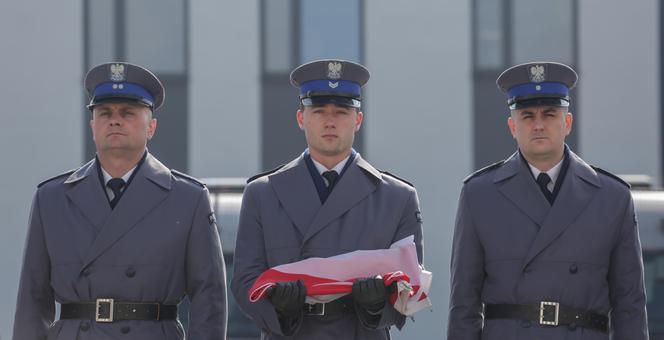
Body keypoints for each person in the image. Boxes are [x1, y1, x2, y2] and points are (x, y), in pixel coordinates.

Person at [13, 62, 227, 340]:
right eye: (104, 113)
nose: (114, 120)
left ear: (151, 127)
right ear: (92, 126)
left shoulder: (188, 198)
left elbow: (209, 297)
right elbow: (33, 298)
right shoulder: (52, 198)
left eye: (127, 113)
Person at [448, 61, 649, 339]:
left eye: (550, 114)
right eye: (527, 116)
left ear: (567, 123)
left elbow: (630, 306)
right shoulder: (479, 194)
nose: (539, 125)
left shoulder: (612, 197)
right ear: (512, 126)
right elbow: (463, 306)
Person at [231, 59, 424, 339]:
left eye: (342, 111)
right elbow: (244, 281)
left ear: (358, 120)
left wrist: (376, 306)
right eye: (319, 111)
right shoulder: (263, 193)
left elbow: (411, 285)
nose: (330, 121)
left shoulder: (397, 197)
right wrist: (280, 309)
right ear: (301, 119)